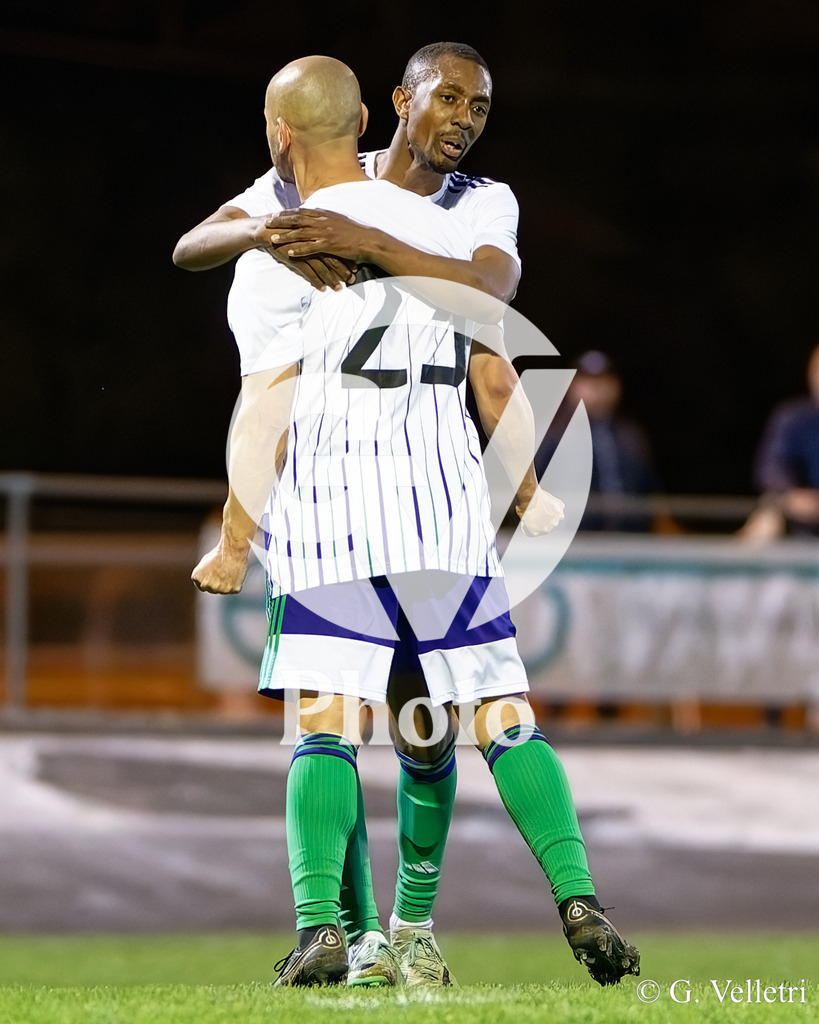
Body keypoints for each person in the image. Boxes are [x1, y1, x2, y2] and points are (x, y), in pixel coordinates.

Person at [187, 54, 638, 991]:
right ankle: (566, 897)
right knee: (494, 717)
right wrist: (522, 487)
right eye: (450, 97)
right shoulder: (437, 232)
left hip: (331, 507)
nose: (465, 117)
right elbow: (491, 359)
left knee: (328, 727)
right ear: (373, 115)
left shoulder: (282, 242)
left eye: (478, 104)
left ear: (281, 135)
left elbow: (265, 403)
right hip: (441, 509)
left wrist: (234, 539)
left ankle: (332, 927)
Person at [536, 350, 658, 531]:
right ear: (572, 386)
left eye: (604, 380)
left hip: (628, 537)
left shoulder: (630, 436)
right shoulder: (551, 435)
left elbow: (649, 490)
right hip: (570, 536)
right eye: (588, 381)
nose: (597, 388)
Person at [740, 343, 819, 540]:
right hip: (802, 513)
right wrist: (791, 494)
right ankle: (735, 561)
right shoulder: (792, 418)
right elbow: (772, 466)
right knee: (768, 512)